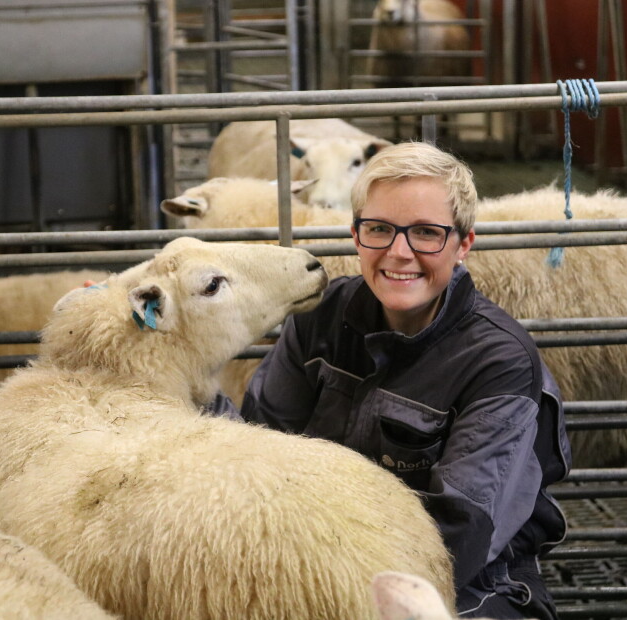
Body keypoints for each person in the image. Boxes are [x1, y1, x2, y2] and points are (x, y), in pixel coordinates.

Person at [210, 141, 571, 619]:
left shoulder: (499, 362)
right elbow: (260, 450)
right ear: (356, 236)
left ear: (463, 244)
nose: (399, 253)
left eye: (426, 233)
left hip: (470, 585)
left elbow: (459, 535)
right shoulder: (318, 320)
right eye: (379, 229)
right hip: (314, 554)